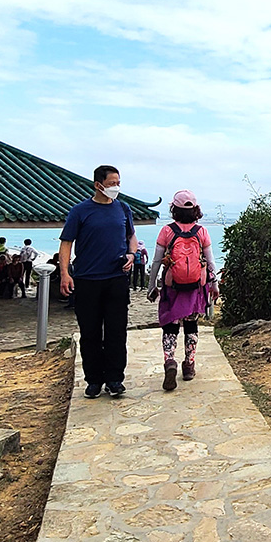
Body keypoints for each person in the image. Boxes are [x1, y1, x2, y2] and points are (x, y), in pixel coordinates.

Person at [59, 164, 137, 399]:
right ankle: (93, 380)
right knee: (90, 332)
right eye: (112, 183)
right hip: (87, 279)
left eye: (118, 183)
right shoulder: (80, 211)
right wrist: (65, 273)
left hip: (116, 279)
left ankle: (115, 379)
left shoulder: (123, 209)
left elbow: (131, 236)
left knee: (116, 331)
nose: (116, 187)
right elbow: (66, 243)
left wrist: (132, 255)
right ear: (98, 185)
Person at [147, 190, 219, 391]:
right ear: (196, 210)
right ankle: (189, 365)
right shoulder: (202, 232)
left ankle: (170, 361)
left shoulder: (167, 231)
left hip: (173, 288)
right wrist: (214, 284)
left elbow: (156, 262)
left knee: (170, 326)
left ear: (174, 209)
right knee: (191, 325)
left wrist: (152, 285)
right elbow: (210, 262)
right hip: (196, 288)